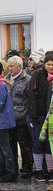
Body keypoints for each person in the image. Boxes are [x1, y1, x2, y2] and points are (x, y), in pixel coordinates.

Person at [27, 51, 53, 182]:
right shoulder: (38, 74)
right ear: (44, 64)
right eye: (49, 64)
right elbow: (31, 94)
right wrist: (33, 114)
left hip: (51, 117)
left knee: (49, 144)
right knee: (38, 143)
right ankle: (38, 170)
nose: (51, 67)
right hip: (38, 115)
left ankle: (49, 170)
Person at [6, 55, 33, 178]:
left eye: (12, 66)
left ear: (20, 66)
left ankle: (27, 167)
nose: (9, 69)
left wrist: (27, 114)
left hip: (21, 118)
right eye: (8, 66)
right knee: (11, 145)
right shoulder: (6, 80)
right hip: (9, 118)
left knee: (24, 145)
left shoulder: (27, 80)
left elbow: (30, 100)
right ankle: (13, 167)